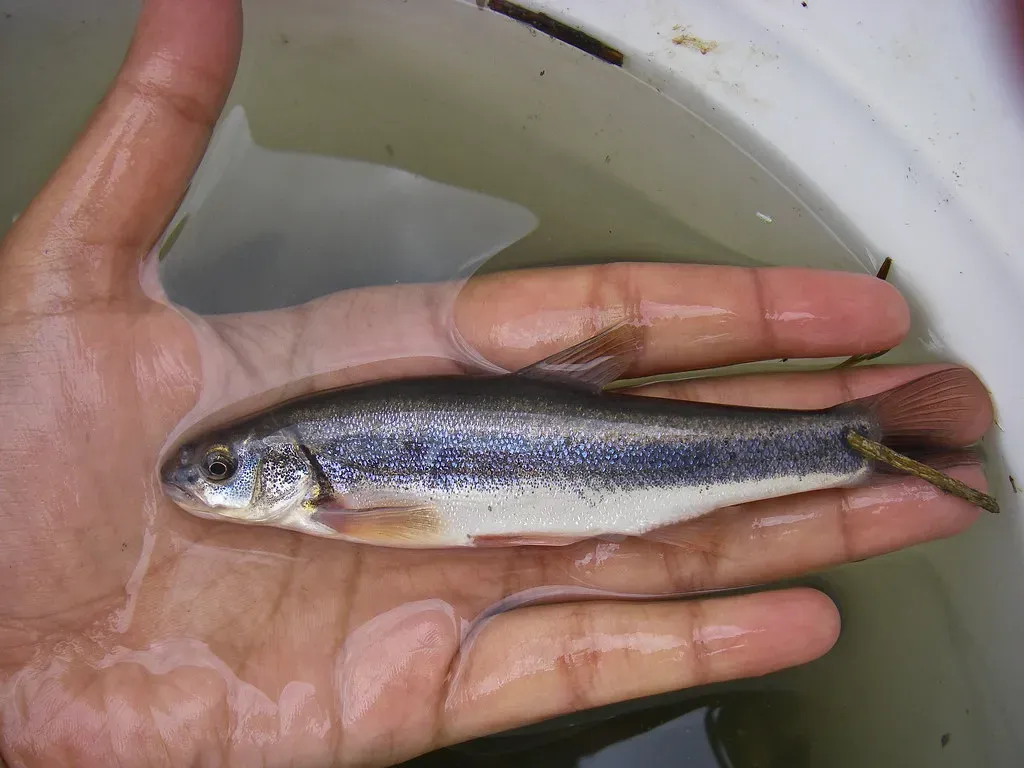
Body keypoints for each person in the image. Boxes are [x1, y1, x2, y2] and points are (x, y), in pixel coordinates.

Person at [0, 0, 992, 765]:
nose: (201, 483)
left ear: (287, 468)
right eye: (218, 468)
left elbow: (397, 520)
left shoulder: (339, 500)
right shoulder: (321, 493)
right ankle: (848, 441)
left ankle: (848, 442)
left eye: (220, 469)